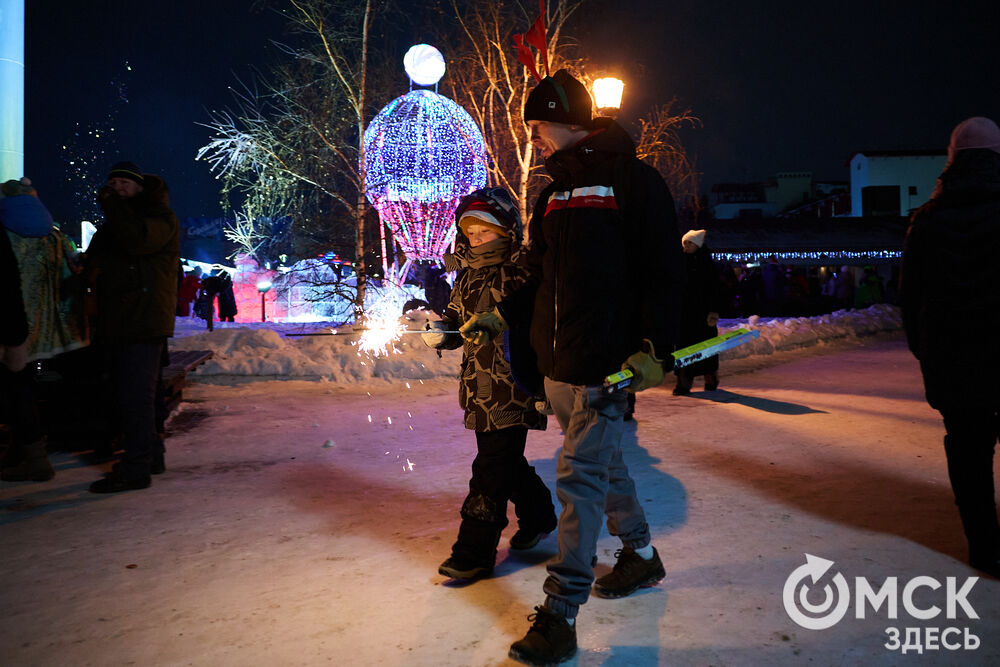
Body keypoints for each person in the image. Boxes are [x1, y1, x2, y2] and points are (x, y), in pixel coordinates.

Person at [460, 69, 685, 665]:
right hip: (556, 361)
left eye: (536, 126)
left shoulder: (633, 182)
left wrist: (653, 347)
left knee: (579, 479)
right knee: (604, 465)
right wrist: (500, 315)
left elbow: (665, 272)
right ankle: (638, 554)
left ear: (562, 118)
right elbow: (537, 274)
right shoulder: (553, 192)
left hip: (604, 363)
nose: (532, 139)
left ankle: (561, 613)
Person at [422, 187, 557, 580]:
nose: (476, 239)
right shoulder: (467, 275)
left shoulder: (523, 271)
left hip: (514, 385)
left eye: (486, 231)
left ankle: (474, 550)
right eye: (471, 233)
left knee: (490, 468)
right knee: (504, 463)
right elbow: (455, 318)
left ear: (507, 230)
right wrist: (444, 333)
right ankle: (539, 516)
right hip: (479, 387)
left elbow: (535, 317)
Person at [902, 117, 1000, 577]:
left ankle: (984, 546)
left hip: (955, 362)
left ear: (952, 159)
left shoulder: (928, 219)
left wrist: (928, 350)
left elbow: (910, 298)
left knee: (968, 451)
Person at [84, 161, 179, 493]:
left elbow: (137, 241)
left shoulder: (158, 218)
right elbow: (94, 261)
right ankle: (151, 456)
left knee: (136, 396)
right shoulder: (116, 222)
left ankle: (136, 468)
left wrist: (111, 205)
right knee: (141, 394)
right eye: (112, 182)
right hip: (123, 319)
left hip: (143, 318)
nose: (117, 187)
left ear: (140, 187)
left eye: (124, 182)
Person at [0, 177, 89, 481]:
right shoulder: (56, 237)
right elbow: (73, 275)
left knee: (15, 390)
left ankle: (34, 458)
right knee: (29, 386)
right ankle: (20, 451)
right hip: (48, 332)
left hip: (11, 329)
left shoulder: (6, 234)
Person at [674, 229, 722, 395]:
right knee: (684, 349)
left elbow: (715, 288)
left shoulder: (707, 265)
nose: (686, 246)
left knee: (707, 348)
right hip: (685, 314)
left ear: (698, 244)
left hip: (703, 314)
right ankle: (683, 383)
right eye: (684, 243)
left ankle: (711, 378)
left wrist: (714, 310)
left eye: (690, 243)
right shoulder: (680, 263)